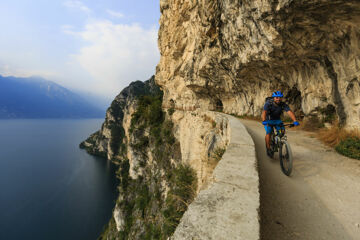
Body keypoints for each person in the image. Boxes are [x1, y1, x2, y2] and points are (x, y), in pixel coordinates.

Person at [261, 91, 300, 157]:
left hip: (277, 120)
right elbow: (264, 112)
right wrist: (264, 120)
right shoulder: (268, 104)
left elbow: (289, 112)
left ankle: (280, 143)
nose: (278, 99)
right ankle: (268, 148)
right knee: (269, 132)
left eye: (280, 98)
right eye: (276, 98)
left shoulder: (283, 104)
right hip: (268, 120)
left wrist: (295, 120)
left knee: (281, 132)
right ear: (274, 98)